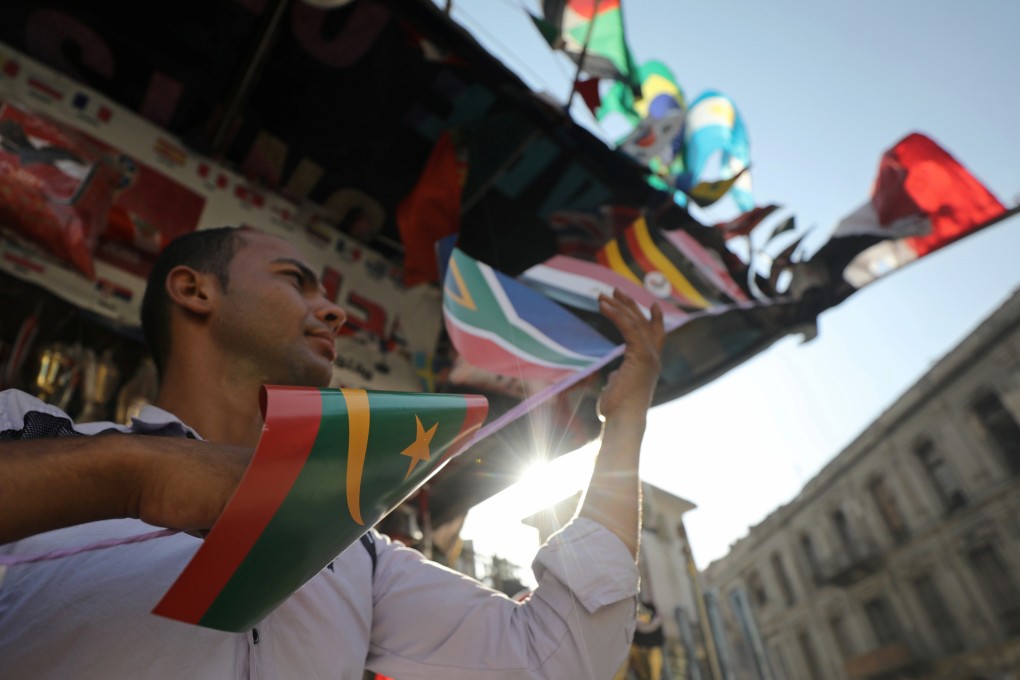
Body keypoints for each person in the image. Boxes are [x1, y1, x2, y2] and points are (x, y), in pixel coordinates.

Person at [0, 226, 665, 679]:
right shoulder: (27, 428)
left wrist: (625, 425)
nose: (335, 312)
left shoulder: (358, 552)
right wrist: (136, 473)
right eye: (298, 282)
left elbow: (561, 657)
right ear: (194, 290)